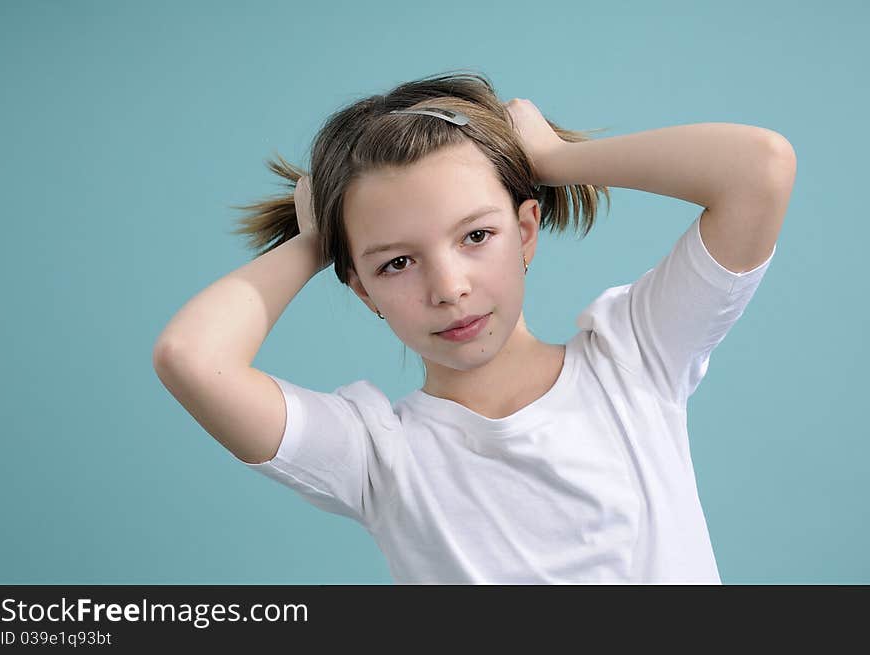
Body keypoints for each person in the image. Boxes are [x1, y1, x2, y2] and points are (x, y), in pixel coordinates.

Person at [152, 69, 796, 584]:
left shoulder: (635, 360)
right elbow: (189, 357)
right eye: (397, 263)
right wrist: (319, 239)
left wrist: (549, 156)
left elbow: (759, 168)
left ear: (524, 232)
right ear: (363, 289)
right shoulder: (378, 456)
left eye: (476, 236)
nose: (448, 288)